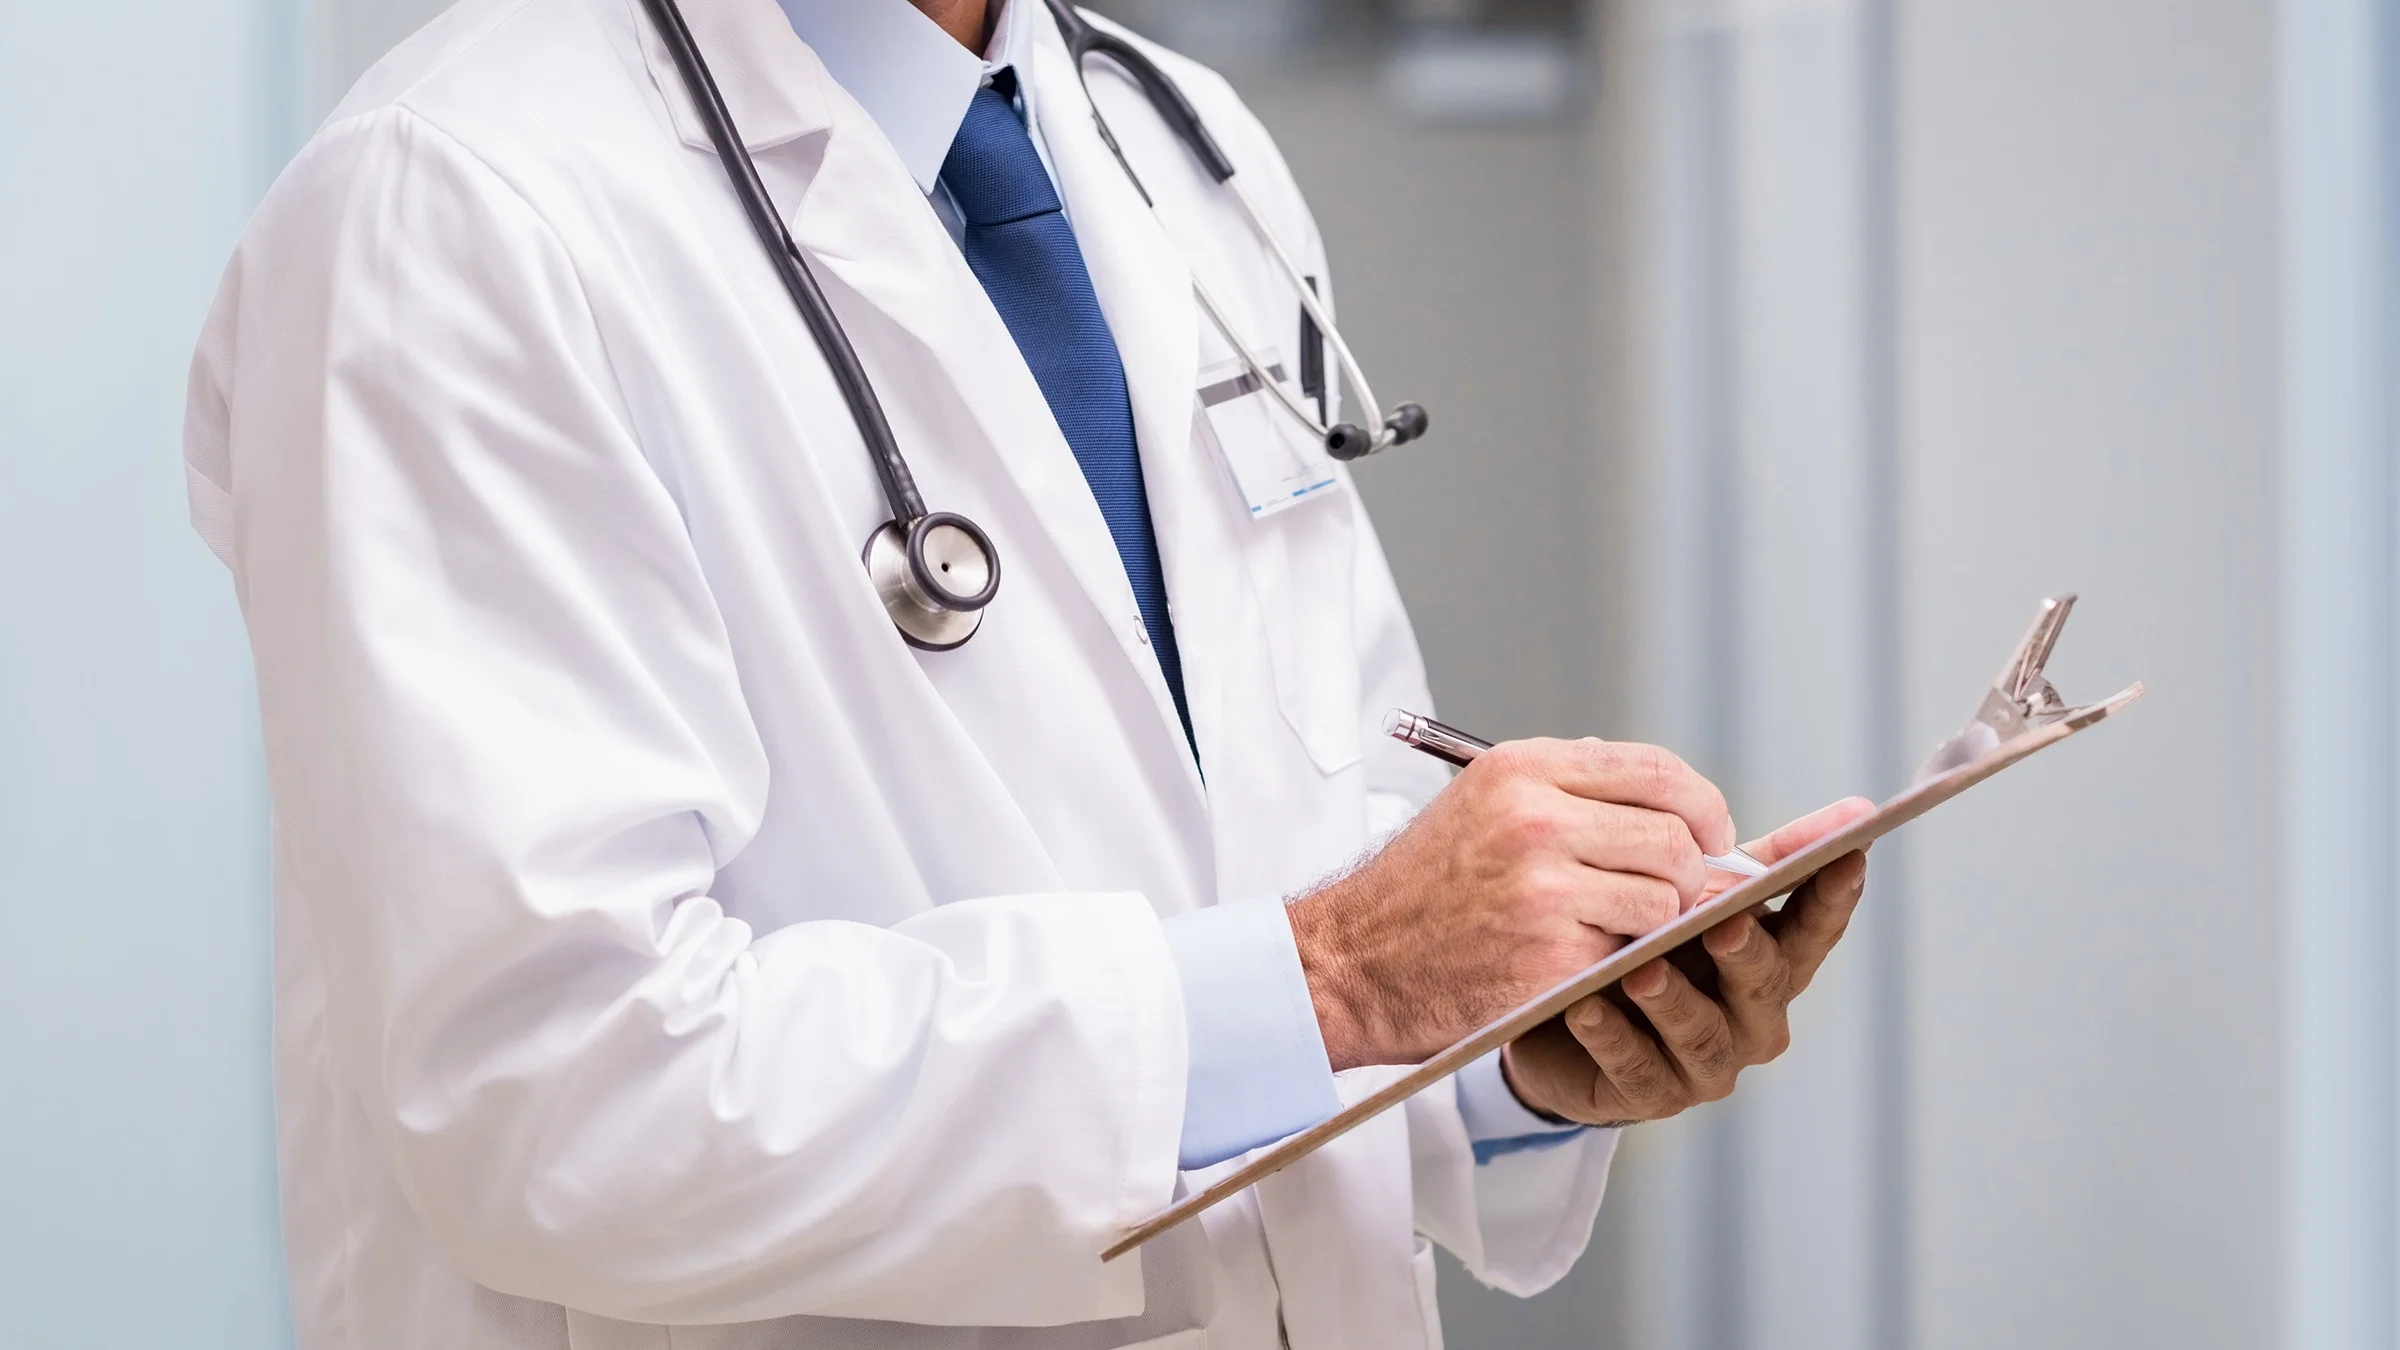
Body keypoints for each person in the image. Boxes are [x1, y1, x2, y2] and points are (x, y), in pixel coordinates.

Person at [181, 0, 1873, 1346]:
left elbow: (1292, 833)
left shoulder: (1175, 140)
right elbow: (558, 1097)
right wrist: (1346, 973)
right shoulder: (456, 204)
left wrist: (1512, 1038)